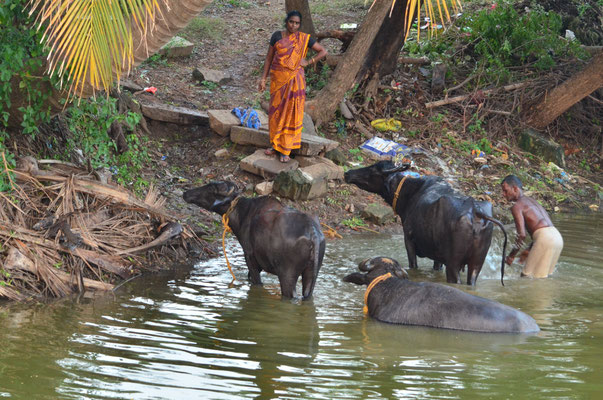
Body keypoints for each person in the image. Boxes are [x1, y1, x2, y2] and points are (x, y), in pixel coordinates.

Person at [258, 10, 327, 163]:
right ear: (286, 21)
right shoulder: (277, 35)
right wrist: (263, 78)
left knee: (290, 113)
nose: (293, 25)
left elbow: (323, 51)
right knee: (276, 112)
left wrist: (309, 62)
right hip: (277, 81)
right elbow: (269, 58)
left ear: (299, 24)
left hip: (295, 82)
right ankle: (275, 145)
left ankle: (285, 150)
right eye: (291, 22)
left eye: (296, 23)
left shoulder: (304, 39)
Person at [501, 175, 564, 278]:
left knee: (526, 277)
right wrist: (529, 248)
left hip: (545, 239)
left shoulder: (517, 206)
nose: (503, 194)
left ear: (515, 188)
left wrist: (511, 256)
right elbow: (540, 227)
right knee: (544, 278)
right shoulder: (534, 202)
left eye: (505, 190)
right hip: (558, 238)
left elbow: (521, 235)